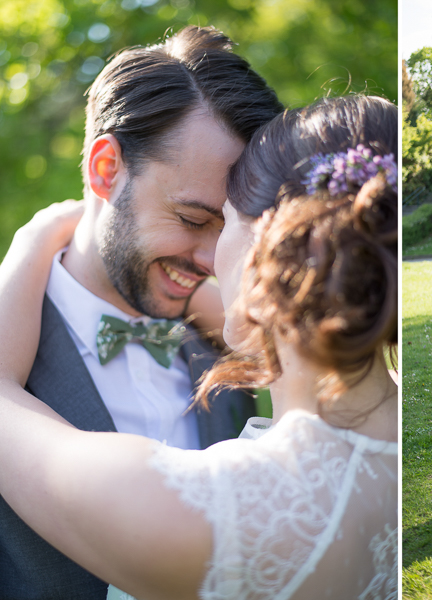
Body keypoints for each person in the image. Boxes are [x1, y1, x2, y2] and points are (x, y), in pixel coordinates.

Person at [0, 95, 398, 599]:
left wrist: (30, 242)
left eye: (224, 221)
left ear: (278, 248)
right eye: (192, 219)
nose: (211, 261)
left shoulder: (231, 500)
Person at [0, 26, 285, 598]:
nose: (212, 260)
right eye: (192, 219)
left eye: (230, 230)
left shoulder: (227, 339)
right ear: (106, 170)